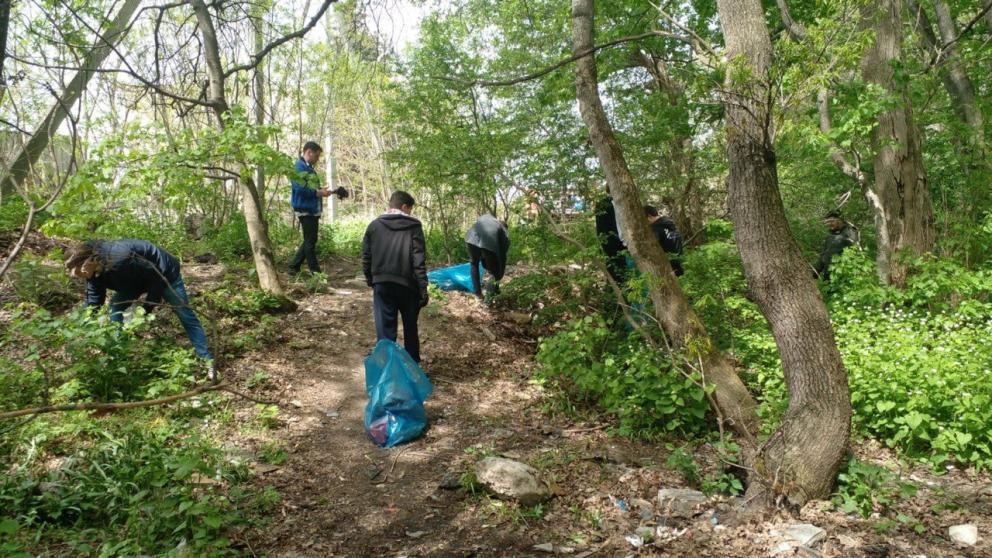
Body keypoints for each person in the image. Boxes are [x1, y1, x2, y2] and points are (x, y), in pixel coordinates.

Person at [64, 239, 215, 380]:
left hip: (164, 273)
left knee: (184, 313)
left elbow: (156, 279)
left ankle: (207, 360)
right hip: (133, 281)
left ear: (91, 260)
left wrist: (146, 310)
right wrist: (81, 327)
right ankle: (119, 357)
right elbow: (94, 301)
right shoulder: (91, 272)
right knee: (116, 307)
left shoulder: (120, 258)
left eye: (77, 270)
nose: (76, 275)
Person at [362, 191, 429, 363]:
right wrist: (423, 288)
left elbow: (366, 257)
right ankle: (413, 369)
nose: (410, 214)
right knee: (410, 329)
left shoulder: (374, 226)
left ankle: (387, 372)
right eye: (410, 210)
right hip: (408, 286)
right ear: (404, 207)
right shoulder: (414, 227)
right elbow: (418, 260)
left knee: (385, 331)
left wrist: (371, 279)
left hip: (382, 284)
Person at [289, 141, 348, 274]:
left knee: (310, 240)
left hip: (311, 210)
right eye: (316, 156)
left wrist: (328, 191)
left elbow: (311, 190)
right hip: (305, 210)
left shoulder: (307, 168)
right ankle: (316, 273)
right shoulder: (299, 167)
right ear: (309, 152)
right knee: (310, 242)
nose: (317, 159)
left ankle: (293, 267)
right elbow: (299, 189)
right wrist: (318, 192)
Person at [465, 214, 510, 300]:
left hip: (470, 237)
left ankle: (478, 293)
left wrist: (488, 264)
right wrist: (499, 273)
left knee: (474, 264)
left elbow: (484, 255)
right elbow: (502, 257)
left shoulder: (488, 219)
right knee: (494, 272)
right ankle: (491, 296)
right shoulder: (503, 230)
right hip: (488, 239)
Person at [814, 210, 859, 281]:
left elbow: (854, 253)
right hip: (828, 276)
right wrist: (816, 271)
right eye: (827, 222)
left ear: (840, 220)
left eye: (832, 221)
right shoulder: (830, 236)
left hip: (842, 277)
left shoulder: (849, 232)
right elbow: (825, 254)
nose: (829, 224)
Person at [594, 194, 627, 285]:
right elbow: (601, 228)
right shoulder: (603, 204)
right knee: (615, 272)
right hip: (612, 245)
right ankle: (616, 294)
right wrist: (606, 244)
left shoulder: (626, 202)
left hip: (628, 244)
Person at [644, 205, 685, 276]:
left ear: (649, 216)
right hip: (679, 262)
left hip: (668, 266)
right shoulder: (669, 223)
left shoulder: (655, 229)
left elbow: (652, 247)